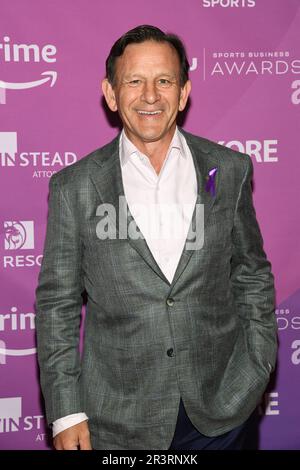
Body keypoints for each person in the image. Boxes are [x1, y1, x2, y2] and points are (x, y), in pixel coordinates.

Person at [35, 24, 278, 450]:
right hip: (119, 423)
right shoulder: (74, 186)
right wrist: (66, 411)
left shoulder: (229, 169)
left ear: (183, 92)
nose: (150, 95)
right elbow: (57, 304)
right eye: (135, 81)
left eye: (164, 80)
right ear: (111, 93)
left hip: (223, 413)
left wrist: (256, 367)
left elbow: (251, 274)